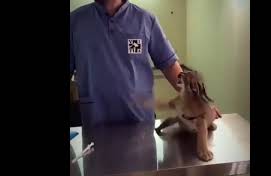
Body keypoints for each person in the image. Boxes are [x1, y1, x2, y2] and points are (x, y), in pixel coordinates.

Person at [70, 0, 220, 126]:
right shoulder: (75, 22)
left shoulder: (145, 20)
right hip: (95, 127)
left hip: (140, 125)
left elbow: (169, 65)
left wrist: (200, 103)